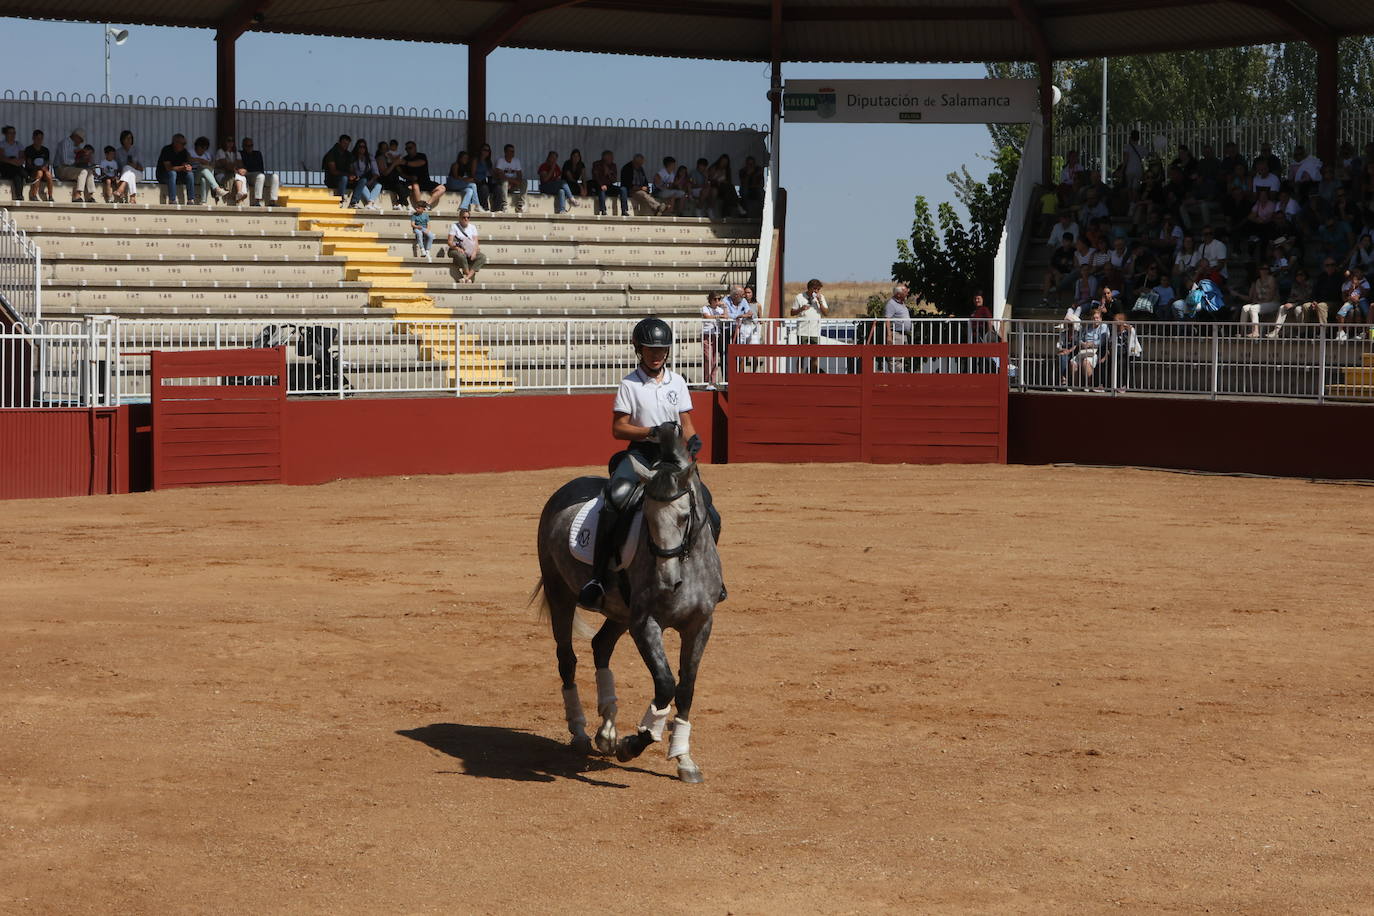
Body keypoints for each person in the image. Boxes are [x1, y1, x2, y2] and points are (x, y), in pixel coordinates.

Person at [577, 317, 712, 613]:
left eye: (662, 349)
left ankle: (707, 575)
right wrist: (649, 432)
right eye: (651, 349)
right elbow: (618, 428)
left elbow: (686, 423)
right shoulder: (630, 384)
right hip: (641, 454)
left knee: (707, 505)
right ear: (639, 349)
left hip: (674, 455)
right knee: (615, 497)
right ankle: (598, 578)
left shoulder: (677, 381)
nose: (657, 355)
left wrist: (693, 441)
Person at [792, 278, 828, 373]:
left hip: (815, 331)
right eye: (814, 289)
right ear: (809, 288)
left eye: (818, 289)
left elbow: (826, 313)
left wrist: (820, 301)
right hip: (802, 330)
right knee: (801, 355)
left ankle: (813, 376)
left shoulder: (821, 297)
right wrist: (801, 309)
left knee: (814, 355)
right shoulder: (799, 297)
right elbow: (792, 312)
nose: (816, 291)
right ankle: (800, 375)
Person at [1070, 307, 1109, 391]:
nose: (1095, 320)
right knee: (1073, 362)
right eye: (1094, 318)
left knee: (1086, 362)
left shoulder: (1104, 326)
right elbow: (1080, 338)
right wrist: (1082, 343)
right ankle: (1076, 386)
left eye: (1097, 318)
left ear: (1101, 318)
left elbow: (1102, 341)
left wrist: (1092, 344)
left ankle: (1089, 385)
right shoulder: (1087, 327)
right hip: (1083, 350)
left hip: (1095, 351)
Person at [55, 127, 96, 202]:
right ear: (75, 136)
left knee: (89, 172)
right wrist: (79, 160)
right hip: (61, 169)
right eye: (80, 140)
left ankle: (90, 196)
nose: (80, 143)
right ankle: (77, 195)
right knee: (83, 172)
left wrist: (87, 158)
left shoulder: (77, 147)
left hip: (71, 169)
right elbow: (65, 161)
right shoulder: (65, 143)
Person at [1239, 263, 1280, 337]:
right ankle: (1242, 332)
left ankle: (1255, 331)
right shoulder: (1258, 281)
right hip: (1261, 303)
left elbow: (1270, 296)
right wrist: (1256, 302)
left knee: (1253, 308)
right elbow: (1255, 297)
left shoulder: (1271, 279)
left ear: (1268, 270)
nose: (1263, 271)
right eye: (1262, 269)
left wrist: (1258, 303)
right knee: (1245, 308)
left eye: (1266, 269)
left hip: (1273, 302)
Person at [401, 141, 446, 210]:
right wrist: (409, 177)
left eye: (410, 148)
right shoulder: (405, 159)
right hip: (413, 182)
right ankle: (419, 206)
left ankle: (427, 204)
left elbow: (420, 163)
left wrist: (405, 163)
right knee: (415, 186)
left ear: (415, 148)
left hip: (425, 181)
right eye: (406, 149)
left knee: (442, 188)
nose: (408, 150)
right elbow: (402, 174)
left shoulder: (421, 156)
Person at [1269, 268, 1312, 338]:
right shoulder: (1295, 285)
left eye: (1301, 275)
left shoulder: (1309, 284)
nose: (1299, 276)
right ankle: (1276, 331)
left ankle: (1302, 332)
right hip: (1294, 304)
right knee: (1282, 307)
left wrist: (1294, 304)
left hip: (1304, 305)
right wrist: (1289, 303)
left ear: (1305, 276)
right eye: (1297, 275)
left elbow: (1307, 299)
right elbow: (1291, 297)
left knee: (1298, 309)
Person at [446, 208, 486, 282]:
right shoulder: (454, 226)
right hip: (455, 249)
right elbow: (450, 242)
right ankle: (469, 276)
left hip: (469, 250)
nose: (466, 219)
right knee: (461, 255)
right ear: (460, 218)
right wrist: (457, 248)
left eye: (468, 217)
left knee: (482, 257)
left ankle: (467, 277)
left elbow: (476, 242)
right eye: (464, 217)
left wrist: (474, 252)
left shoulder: (472, 227)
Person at [238, 137, 278, 206]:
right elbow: (241, 168)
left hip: (258, 174)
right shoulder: (240, 154)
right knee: (260, 176)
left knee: (275, 176)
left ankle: (273, 201)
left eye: (251, 145)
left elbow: (260, 167)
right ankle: (257, 201)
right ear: (243, 146)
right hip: (249, 175)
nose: (250, 147)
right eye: (247, 146)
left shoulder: (257, 153)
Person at [157, 133, 195, 204]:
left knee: (190, 174)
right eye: (183, 143)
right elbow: (168, 168)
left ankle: (191, 199)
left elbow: (185, 164)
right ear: (175, 143)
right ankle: (172, 200)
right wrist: (182, 168)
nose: (184, 145)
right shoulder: (166, 150)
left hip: (178, 176)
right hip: (163, 175)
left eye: (185, 143)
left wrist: (187, 167)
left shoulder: (184, 152)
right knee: (172, 173)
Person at [884, 283, 913, 372]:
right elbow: (887, 319)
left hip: (903, 335)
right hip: (896, 334)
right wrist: (889, 336)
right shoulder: (891, 304)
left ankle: (900, 379)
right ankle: (894, 380)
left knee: (902, 358)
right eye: (905, 291)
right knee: (895, 358)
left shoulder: (901, 303)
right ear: (898, 294)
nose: (907, 293)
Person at [188, 136, 225, 204]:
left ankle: (203, 201)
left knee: (204, 179)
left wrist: (209, 164)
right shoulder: (190, 152)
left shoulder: (207, 154)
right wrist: (200, 160)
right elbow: (188, 159)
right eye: (202, 148)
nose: (203, 150)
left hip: (203, 175)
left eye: (205, 148)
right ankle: (217, 188)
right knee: (204, 170)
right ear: (197, 146)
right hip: (193, 175)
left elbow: (212, 165)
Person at [701, 291, 726, 388]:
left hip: (716, 335)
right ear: (710, 300)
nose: (717, 301)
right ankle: (707, 381)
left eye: (719, 299)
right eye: (715, 299)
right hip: (707, 334)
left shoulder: (720, 309)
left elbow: (726, 316)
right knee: (708, 358)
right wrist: (719, 316)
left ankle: (713, 381)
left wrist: (725, 307)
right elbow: (707, 316)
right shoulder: (705, 308)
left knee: (715, 359)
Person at [214, 137, 249, 205]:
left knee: (242, 177)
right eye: (228, 141)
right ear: (224, 142)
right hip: (221, 174)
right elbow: (226, 165)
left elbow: (240, 164)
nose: (230, 143)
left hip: (233, 173)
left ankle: (240, 193)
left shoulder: (236, 153)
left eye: (232, 141)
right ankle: (241, 194)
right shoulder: (220, 151)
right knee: (238, 176)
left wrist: (241, 169)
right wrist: (237, 168)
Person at [347, 139, 382, 208]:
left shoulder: (370, 157)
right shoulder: (352, 157)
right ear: (357, 147)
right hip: (358, 181)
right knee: (362, 184)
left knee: (379, 185)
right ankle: (371, 203)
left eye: (364, 147)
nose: (362, 148)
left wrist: (371, 181)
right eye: (360, 146)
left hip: (369, 179)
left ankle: (370, 202)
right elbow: (350, 171)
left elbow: (375, 172)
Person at [592, 149, 627, 215]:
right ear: (605, 158)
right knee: (601, 191)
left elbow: (614, 180)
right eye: (611, 157)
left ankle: (624, 210)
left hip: (609, 186)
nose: (612, 159)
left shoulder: (613, 166)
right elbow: (595, 177)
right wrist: (601, 184)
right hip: (599, 185)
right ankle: (603, 210)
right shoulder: (597, 164)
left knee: (623, 189)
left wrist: (609, 174)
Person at [23, 129, 54, 201]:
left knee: (49, 175)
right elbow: (29, 163)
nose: (39, 140)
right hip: (32, 171)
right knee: (39, 173)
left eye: (41, 138)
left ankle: (50, 196)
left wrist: (44, 168)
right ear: (33, 138)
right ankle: (33, 195)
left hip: (44, 170)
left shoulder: (45, 150)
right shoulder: (29, 149)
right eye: (37, 138)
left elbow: (47, 162)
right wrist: (39, 168)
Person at [494, 143, 525, 213]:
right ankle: (504, 205)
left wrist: (515, 182)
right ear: (505, 152)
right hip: (504, 186)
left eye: (513, 151)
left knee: (524, 182)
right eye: (510, 151)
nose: (512, 153)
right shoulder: (500, 160)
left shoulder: (516, 161)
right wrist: (513, 182)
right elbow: (501, 176)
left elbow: (520, 175)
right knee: (505, 182)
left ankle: (521, 204)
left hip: (514, 185)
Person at [113, 130, 142, 204]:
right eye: (127, 138)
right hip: (125, 175)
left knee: (127, 168)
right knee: (130, 173)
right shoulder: (118, 152)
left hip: (137, 174)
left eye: (130, 138)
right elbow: (117, 167)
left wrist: (132, 165)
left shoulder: (136, 150)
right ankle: (132, 198)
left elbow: (140, 167)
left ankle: (120, 189)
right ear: (122, 140)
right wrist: (116, 177)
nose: (129, 140)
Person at [321, 133, 352, 198]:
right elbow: (333, 171)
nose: (345, 145)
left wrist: (353, 176)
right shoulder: (332, 153)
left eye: (347, 144)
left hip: (344, 178)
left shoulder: (348, 154)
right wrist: (347, 175)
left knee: (360, 180)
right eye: (344, 143)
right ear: (339, 142)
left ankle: (354, 202)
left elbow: (351, 167)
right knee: (344, 178)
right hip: (332, 179)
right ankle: (340, 199)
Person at [475, 144, 504, 212]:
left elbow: (492, 173)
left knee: (498, 187)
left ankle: (497, 208)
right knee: (484, 188)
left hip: (486, 180)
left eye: (488, 150)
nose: (486, 152)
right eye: (485, 150)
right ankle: (485, 207)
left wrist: (499, 177)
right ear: (481, 151)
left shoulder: (488, 161)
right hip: (478, 181)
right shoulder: (476, 160)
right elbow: (473, 174)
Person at [0, 125, 25, 200]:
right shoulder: (2, 144)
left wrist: (18, 161)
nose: (12, 135)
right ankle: (26, 176)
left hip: (16, 166)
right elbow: (1, 157)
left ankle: (19, 195)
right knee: (17, 171)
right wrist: (12, 161)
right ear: (6, 134)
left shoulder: (18, 144)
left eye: (14, 133)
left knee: (17, 175)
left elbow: (22, 157)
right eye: (10, 133)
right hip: (5, 165)